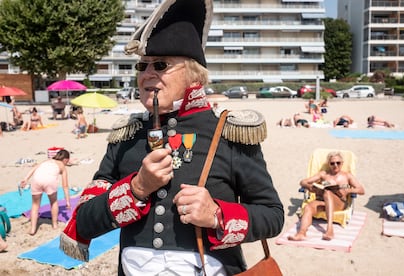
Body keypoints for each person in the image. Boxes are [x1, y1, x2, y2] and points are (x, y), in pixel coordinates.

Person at [60, 1, 284, 275]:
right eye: (142, 65)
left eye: (161, 65)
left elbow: (273, 215)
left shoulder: (231, 133)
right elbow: (83, 220)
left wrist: (216, 214)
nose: (146, 74)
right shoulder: (125, 136)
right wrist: (136, 189)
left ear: (194, 74)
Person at [288, 151, 364, 241]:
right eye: (332, 163)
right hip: (323, 201)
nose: (335, 165)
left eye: (338, 163)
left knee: (327, 193)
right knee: (308, 207)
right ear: (329, 164)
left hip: (339, 203)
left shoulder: (347, 176)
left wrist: (348, 191)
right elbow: (303, 182)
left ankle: (330, 229)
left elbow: (361, 190)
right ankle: (301, 233)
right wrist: (309, 186)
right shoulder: (323, 174)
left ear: (342, 163)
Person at [20, 149, 71, 235]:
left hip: (36, 179)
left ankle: (32, 229)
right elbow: (65, 186)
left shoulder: (47, 161)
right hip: (49, 181)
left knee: (35, 205)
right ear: (65, 159)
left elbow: (34, 168)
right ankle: (54, 225)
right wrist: (67, 201)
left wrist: (25, 179)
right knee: (54, 202)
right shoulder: (62, 165)